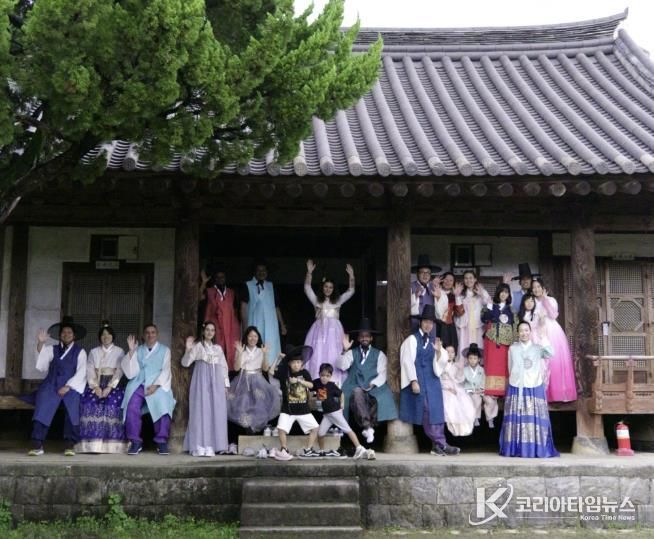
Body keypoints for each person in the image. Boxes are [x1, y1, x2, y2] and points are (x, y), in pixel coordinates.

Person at [400, 304, 460, 456]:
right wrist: (413, 380)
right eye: (426, 321)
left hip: (433, 380)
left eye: (431, 322)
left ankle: (437, 446)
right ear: (421, 322)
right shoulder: (412, 340)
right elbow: (407, 361)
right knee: (426, 410)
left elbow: (442, 361)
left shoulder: (434, 340)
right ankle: (441, 443)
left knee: (436, 411)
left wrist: (439, 352)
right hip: (419, 378)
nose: (428, 325)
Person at [28, 317, 87, 456]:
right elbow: (41, 364)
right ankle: (37, 444)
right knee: (42, 407)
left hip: (71, 386)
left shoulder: (80, 352)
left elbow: (82, 372)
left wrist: (68, 387)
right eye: (64, 332)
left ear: (74, 336)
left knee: (72, 410)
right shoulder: (52, 349)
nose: (66, 334)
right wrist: (41, 343)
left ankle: (70, 445)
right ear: (60, 335)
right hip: (51, 385)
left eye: (69, 332)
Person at [499, 321, 559, 458]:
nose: (524, 333)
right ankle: (515, 449)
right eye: (521, 330)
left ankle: (534, 450)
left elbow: (551, 353)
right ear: (518, 333)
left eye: (526, 330)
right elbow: (510, 367)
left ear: (530, 332)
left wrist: (543, 337)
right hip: (516, 386)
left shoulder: (537, 348)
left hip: (534, 386)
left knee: (534, 420)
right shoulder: (513, 348)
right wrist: (515, 379)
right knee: (516, 419)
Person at [338, 317, 398, 444]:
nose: (364, 338)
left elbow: (383, 372)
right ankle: (367, 427)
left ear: (371, 338)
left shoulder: (379, 354)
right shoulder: (352, 353)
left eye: (367, 336)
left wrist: (374, 383)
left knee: (385, 396)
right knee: (356, 393)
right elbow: (342, 366)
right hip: (355, 385)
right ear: (359, 338)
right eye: (362, 336)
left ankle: (369, 425)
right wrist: (345, 350)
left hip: (372, 387)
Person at [122, 324, 176, 455]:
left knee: (163, 405)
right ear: (143, 335)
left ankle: (161, 441)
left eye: (153, 332)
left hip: (158, 384)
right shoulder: (138, 350)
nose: (150, 335)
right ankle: (135, 441)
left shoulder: (165, 350)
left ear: (157, 334)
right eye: (147, 332)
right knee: (131, 405)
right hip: (139, 383)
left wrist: (155, 386)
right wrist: (131, 352)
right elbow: (131, 373)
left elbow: (166, 370)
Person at [77, 321, 127, 454]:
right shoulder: (93, 351)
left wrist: (110, 387)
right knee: (89, 402)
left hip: (113, 385)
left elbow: (120, 371)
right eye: (103, 335)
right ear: (100, 337)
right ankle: (92, 445)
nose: (106, 337)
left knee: (112, 403)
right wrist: (95, 387)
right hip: (97, 383)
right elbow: (89, 369)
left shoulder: (119, 351)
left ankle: (112, 446)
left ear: (112, 336)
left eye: (108, 334)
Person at [303, 259, 355, 384]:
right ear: (322, 287)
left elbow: (351, 291)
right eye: (326, 286)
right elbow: (307, 288)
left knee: (334, 353)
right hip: (319, 331)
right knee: (317, 353)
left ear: (333, 289)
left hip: (334, 332)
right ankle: (316, 380)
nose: (328, 289)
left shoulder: (338, 300)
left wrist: (351, 276)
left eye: (330, 287)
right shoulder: (317, 300)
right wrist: (309, 273)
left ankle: (334, 381)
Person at [182, 321, 230, 457]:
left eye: (212, 330)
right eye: (207, 330)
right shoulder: (198, 346)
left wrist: (226, 385)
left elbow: (224, 367)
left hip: (216, 382)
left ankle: (214, 445)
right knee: (200, 410)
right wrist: (188, 349)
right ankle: (199, 444)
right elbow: (185, 363)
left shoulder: (218, 349)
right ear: (203, 331)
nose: (210, 332)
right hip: (201, 381)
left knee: (216, 411)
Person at [226, 326, 281, 433]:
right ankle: (247, 428)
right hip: (243, 380)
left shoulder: (261, 350)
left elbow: (265, 368)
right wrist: (239, 353)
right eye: (250, 336)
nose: (253, 338)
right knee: (242, 403)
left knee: (259, 403)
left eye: (255, 336)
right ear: (246, 337)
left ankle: (256, 428)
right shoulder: (241, 350)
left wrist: (265, 354)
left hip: (258, 380)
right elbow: (236, 368)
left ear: (258, 338)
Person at [271, 344, 320, 461]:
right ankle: (284, 449)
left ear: (301, 363)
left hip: (303, 409)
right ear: (289, 363)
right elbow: (270, 371)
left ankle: (308, 449)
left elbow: (312, 385)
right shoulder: (284, 373)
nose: (296, 365)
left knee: (315, 428)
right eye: (294, 362)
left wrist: (299, 381)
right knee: (281, 429)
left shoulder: (305, 373)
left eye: (298, 362)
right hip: (288, 410)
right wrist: (278, 358)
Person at [531, 278, 577, 402]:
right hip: (537, 331)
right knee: (541, 362)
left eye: (538, 287)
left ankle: (558, 393)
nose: (536, 289)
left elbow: (553, 315)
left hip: (552, 331)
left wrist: (545, 300)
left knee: (554, 360)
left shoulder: (551, 300)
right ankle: (542, 393)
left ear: (543, 288)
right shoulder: (532, 301)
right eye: (534, 287)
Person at [313, 363, 370, 459]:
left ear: (330, 376)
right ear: (319, 374)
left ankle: (359, 447)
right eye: (322, 375)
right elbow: (310, 385)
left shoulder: (332, 385)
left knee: (347, 429)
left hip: (335, 412)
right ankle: (322, 451)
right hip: (327, 415)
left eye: (327, 376)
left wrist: (342, 404)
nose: (324, 378)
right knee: (320, 433)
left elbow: (341, 394)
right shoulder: (317, 383)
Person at [240, 261, 287, 366]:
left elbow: (276, 307)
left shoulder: (271, 286)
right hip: (254, 323)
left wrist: (282, 325)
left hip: (271, 325)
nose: (262, 272)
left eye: (264, 270)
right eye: (259, 270)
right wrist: (245, 327)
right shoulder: (248, 285)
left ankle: (271, 370)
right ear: (254, 272)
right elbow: (243, 307)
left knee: (271, 349)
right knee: (255, 348)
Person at [200, 268, 241, 371]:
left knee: (231, 351)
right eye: (217, 277)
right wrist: (203, 283)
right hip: (215, 326)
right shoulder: (209, 291)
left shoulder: (231, 292)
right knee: (216, 351)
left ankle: (229, 375)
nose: (220, 279)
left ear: (225, 278)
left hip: (230, 327)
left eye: (222, 277)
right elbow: (198, 298)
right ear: (214, 279)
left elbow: (236, 310)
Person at [481, 283, 516, 398]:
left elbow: (514, 326)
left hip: (506, 342)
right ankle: (492, 390)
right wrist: (489, 307)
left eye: (506, 292)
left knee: (504, 365)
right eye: (501, 291)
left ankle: (504, 390)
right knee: (492, 364)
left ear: (508, 294)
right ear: (498, 293)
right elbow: (484, 319)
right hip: (492, 340)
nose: (503, 294)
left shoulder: (511, 310)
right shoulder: (491, 306)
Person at [454, 270, 491, 361]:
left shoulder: (482, 291)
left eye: (471, 278)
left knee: (478, 344)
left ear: (475, 279)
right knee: (464, 344)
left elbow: (489, 305)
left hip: (478, 324)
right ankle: (463, 365)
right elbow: (459, 311)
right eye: (466, 278)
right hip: (465, 324)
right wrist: (457, 296)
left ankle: (479, 365)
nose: (468, 280)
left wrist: (482, 295)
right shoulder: (461, 293)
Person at [440, 345, 475, 436]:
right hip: (445, 387)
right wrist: (447, 388)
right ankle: (451, 428)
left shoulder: (456, 365)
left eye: (452, 352)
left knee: (463, 401)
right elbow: (439, 379)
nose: (450, 354)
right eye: (448, 352)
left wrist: (462, 371)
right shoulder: (440, 365)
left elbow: (459, 379)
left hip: (455, 386)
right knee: (450, 401)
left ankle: (462, 428)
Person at [410, 254, 446, 339]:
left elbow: (442, 311)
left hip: (430, 327)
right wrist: (415, 296)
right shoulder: (410, 286)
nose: (425, 275)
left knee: (429, 345)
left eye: (428, 273)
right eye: (422, 272)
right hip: (413, 325)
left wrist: (438, 298)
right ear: (417, 274)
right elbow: (403, 306)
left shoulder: (435, 288)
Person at [463, 343, 498, 428]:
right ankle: (475, 418)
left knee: (490, 400)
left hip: (482, 390)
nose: (472, 360)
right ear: (467, 359)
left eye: (475, 358)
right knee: (476, 399)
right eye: (470, 358)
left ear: (479, 359)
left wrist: (482, 389)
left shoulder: (482, 370)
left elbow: (484, 381)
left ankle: (490, 418)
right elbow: (463, 383)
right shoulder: (464, 370)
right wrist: (472, 390)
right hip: (471, 391)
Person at [432, 272, 464, 350]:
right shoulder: (434, 291)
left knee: (449, 349)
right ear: (442, 280)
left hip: (449, 327)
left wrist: (457, 296)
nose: (448, 282)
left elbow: (460, 313)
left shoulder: (455, 295)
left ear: (453, 283)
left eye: (451, 280)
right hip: (436, 325)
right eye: (446, 279)